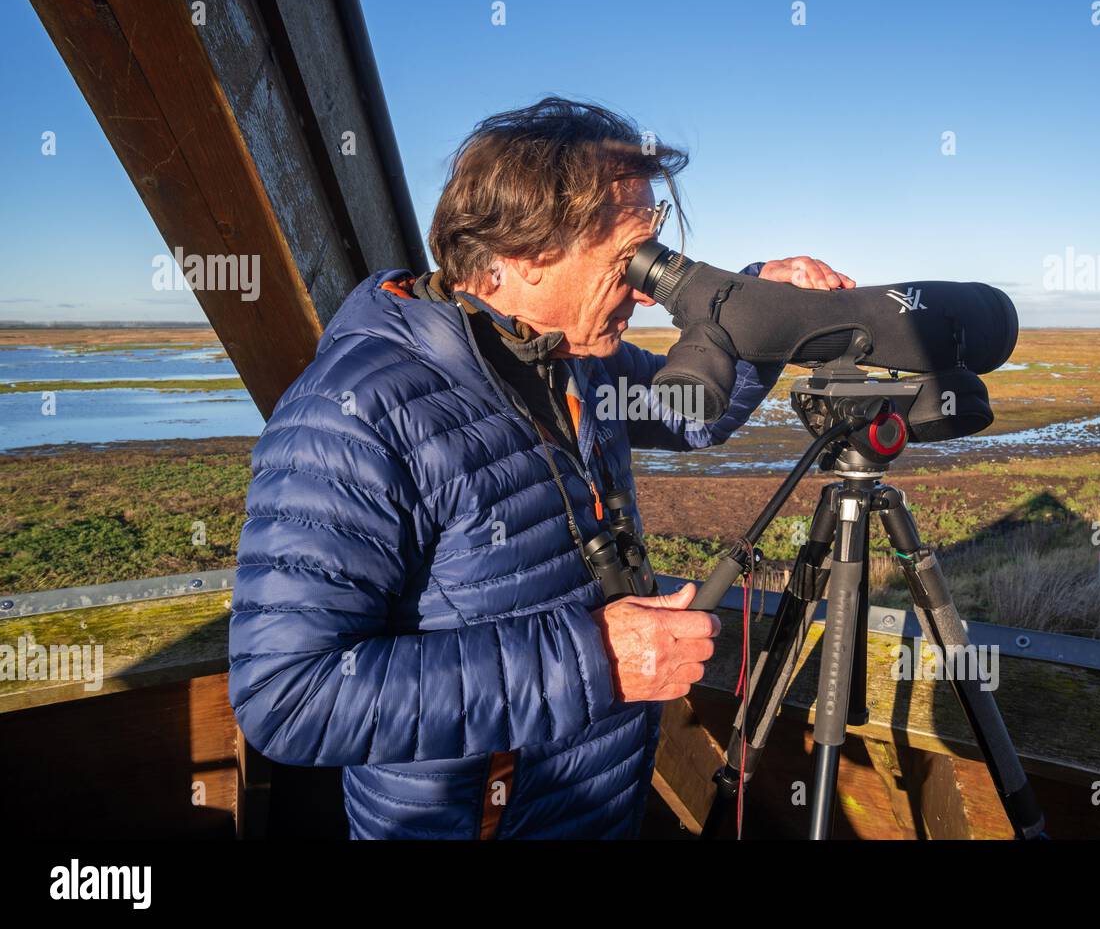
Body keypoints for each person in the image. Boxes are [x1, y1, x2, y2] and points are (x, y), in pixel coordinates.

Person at [229, 97, 855, 839]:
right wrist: (595, 658)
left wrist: (755, 304)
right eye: (631, 260)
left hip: (597, 807)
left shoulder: (569, 358)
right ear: (523, 252)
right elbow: (286, 695)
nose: (647, 286)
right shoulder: (355, 411)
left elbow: (695, 410)